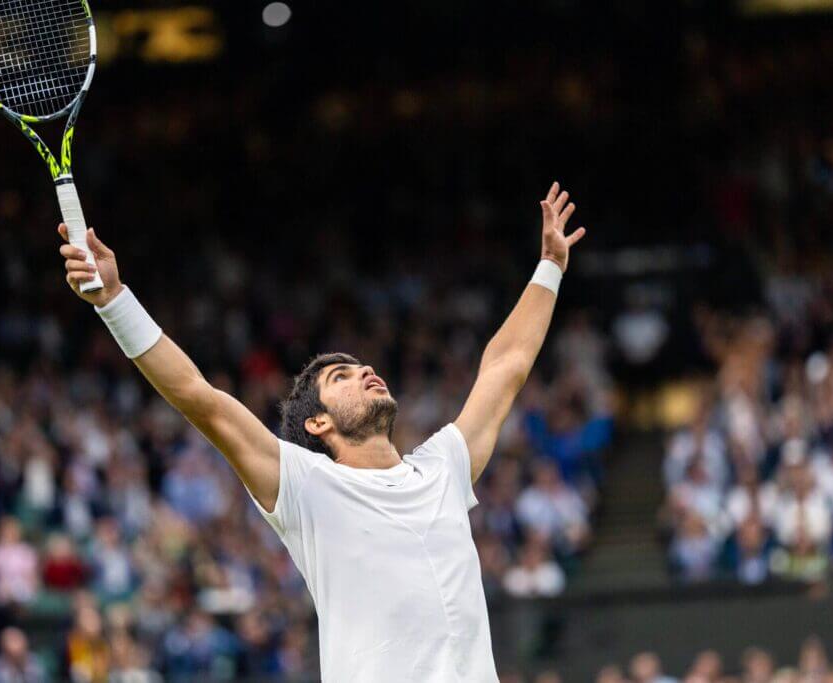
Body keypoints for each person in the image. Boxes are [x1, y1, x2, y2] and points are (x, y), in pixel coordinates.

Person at [58, 182, 587, 682]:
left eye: (361, 367)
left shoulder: (443, 466)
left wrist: (550, 266)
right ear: (318, 423)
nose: (364, 372)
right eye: (341, 376)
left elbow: (506, 365)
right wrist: (115, 301)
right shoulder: (304, 486)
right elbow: (200, 398)